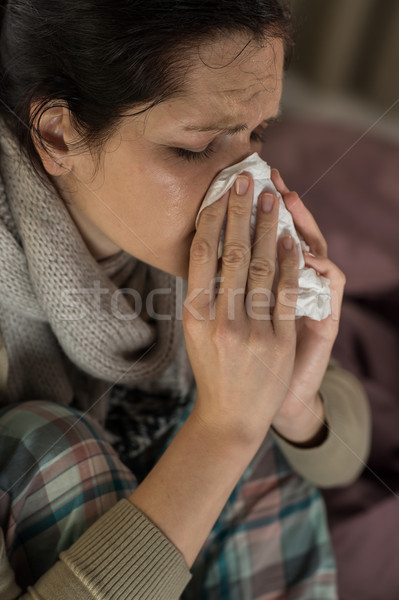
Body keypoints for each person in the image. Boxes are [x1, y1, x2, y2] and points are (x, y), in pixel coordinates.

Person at [0, 0, 370, 598]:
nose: (244, 184)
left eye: (257, 134)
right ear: (56, 133)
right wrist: (225, 429)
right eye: (196, 149)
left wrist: (294, 401)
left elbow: (338, 463)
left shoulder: (202, 253)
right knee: (47, 446)